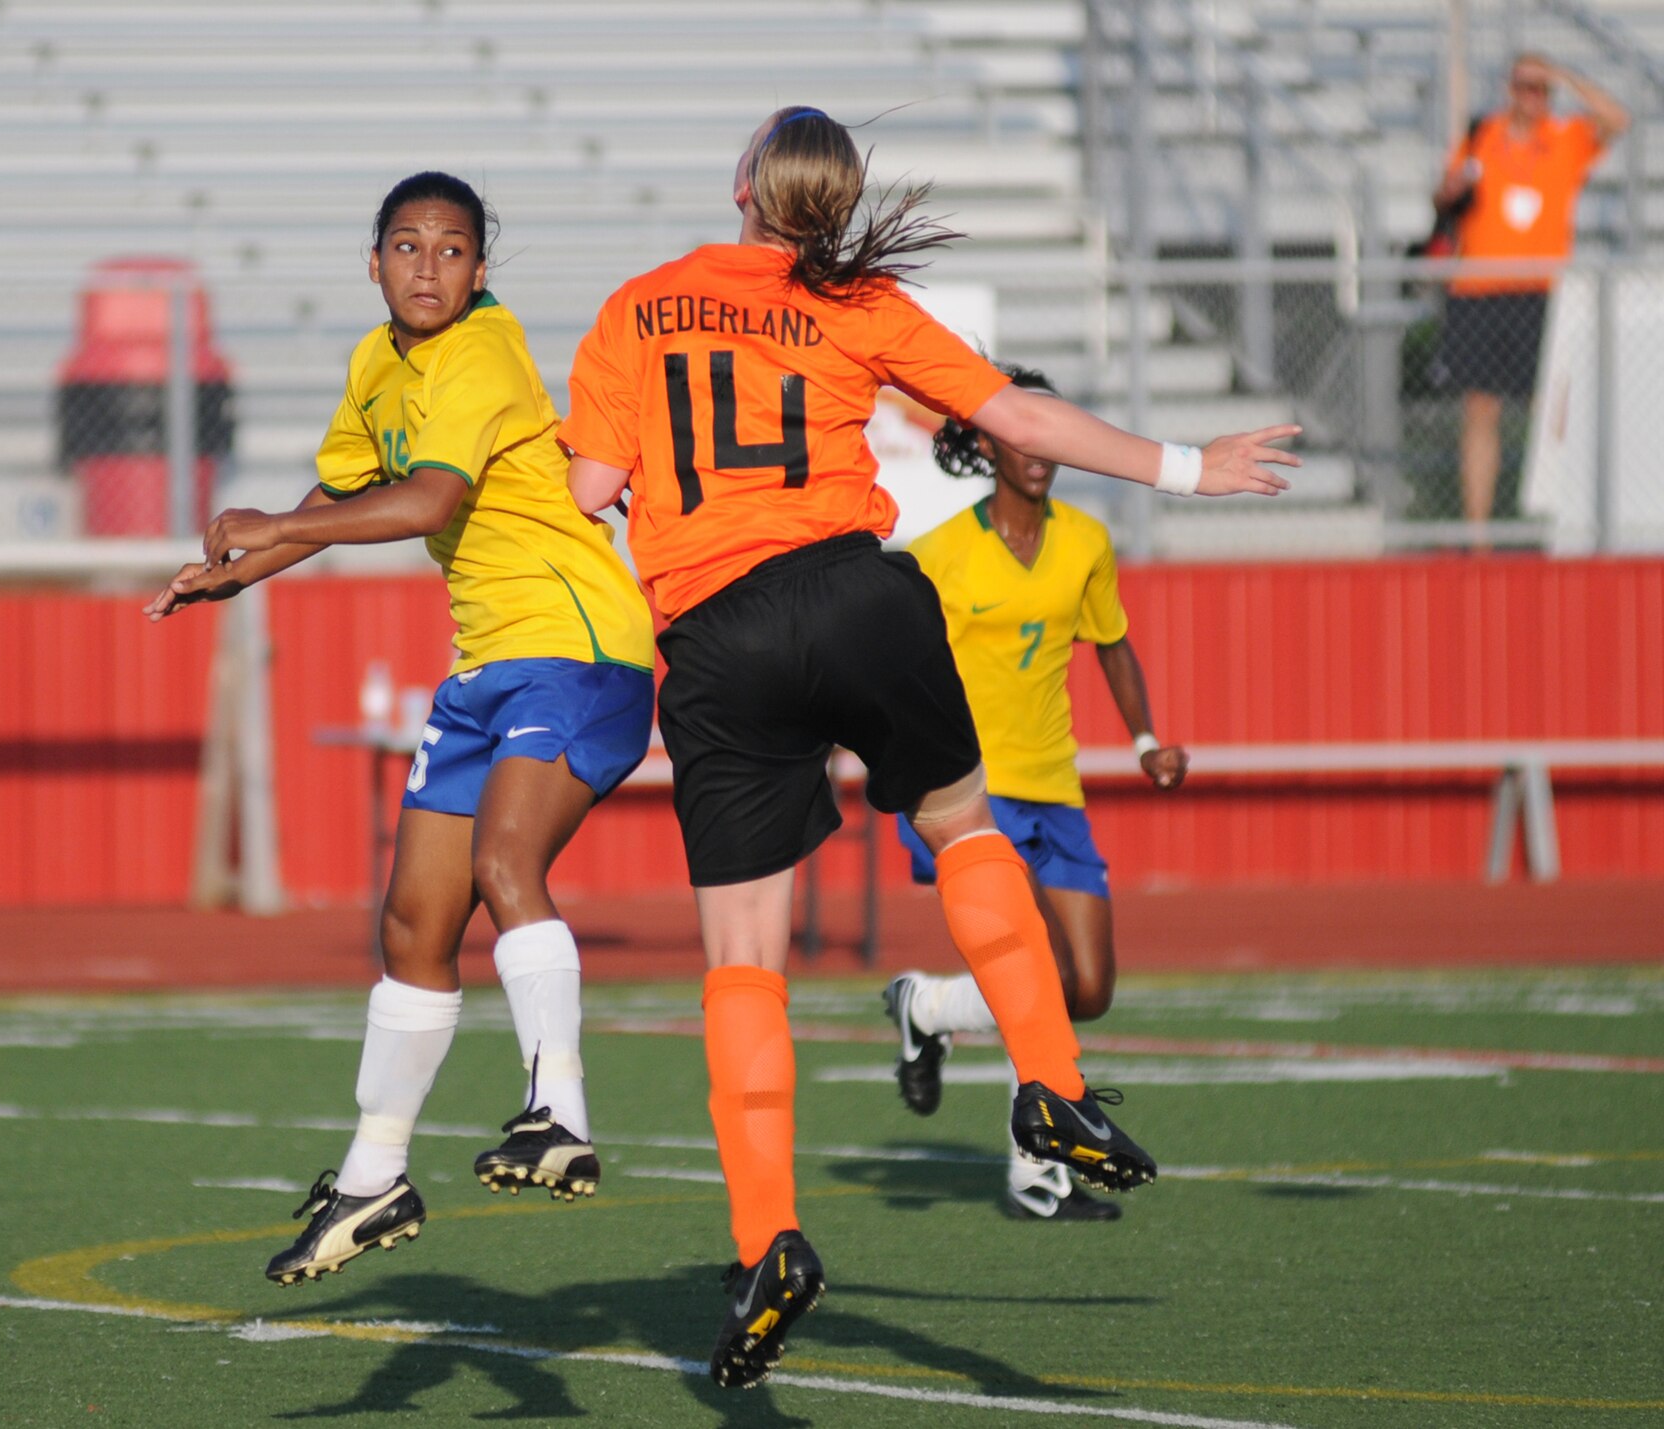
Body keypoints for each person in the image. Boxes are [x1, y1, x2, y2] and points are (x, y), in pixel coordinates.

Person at [561, 105, 1298, 1389]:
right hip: (853, 592)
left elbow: (583, 490)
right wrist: (1187, 465)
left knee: (742, 962)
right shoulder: (859, 302)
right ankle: (1049, 1081)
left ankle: (766, 1242)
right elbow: (1020, 420)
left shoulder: (638, 304)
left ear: (740, 185)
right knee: (963, 821)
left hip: (716, 638)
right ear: (836, 209)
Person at [146, 171, 655, 1285]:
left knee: (503, 860)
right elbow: (335, 508)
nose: (430, 267)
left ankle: (555, 1111)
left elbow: (424, 502)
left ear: (481, 269)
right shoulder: (376, 365)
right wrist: (242, 570)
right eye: (408, 246)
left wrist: (270, 526)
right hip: (486, 671)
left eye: (453, 249)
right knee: (412, 928)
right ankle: (374, 1176)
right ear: (371, 263)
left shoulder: (481, 350)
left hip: (577, 651)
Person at [878, 363, 1188, 1224]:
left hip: (1057, 787)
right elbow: (891, 662)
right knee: (1039, 971)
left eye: (1049, 431)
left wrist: (1147, 740)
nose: (1037, 449)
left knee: (1087, 986)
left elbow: (1113, 645)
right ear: (983, 440)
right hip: (969, 793)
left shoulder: (1087, 541)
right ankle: (1037, 1176)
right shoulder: (940, 552)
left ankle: (926, 1005)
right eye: (1018, 430)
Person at [1432, 52, 1626, 537]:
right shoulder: (1483, 137)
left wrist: (1564, 73)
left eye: (1541, 88)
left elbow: (1617, 119)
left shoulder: (1565, 140)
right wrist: (1452, 188)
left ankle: (1558, 523)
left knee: (1552, 411)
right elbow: (1446, 195)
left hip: (1540, 292)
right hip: (1479, 289)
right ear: (1509, 88)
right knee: (1480, 410)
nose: (1532, 97)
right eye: (1524, 86)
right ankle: (1478, 535)